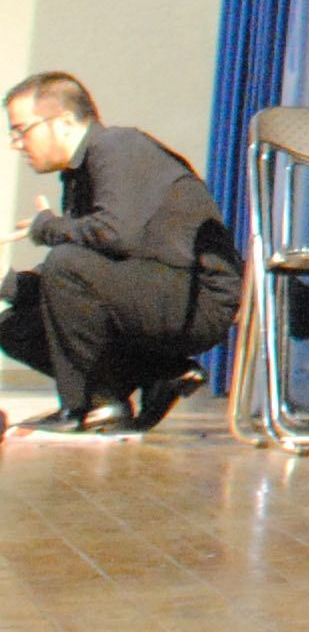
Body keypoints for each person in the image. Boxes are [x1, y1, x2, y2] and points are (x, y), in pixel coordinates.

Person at [3, 75, 239, 433]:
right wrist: (5, 283)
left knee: (65, 263)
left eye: (22, 130)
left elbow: (114, 236)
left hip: (197, 299)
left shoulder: (116, 146)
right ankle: (159, 373)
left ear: (64, 122)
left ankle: (96, 405)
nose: (16, 143)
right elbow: (79, 281)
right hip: (148, 291)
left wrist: (46, 228)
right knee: (12, 327)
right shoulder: (78, 175)